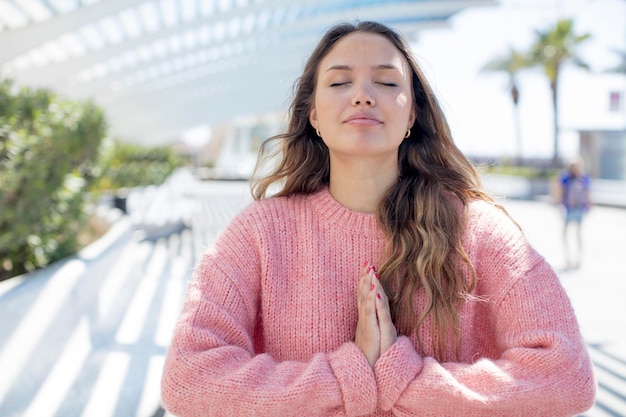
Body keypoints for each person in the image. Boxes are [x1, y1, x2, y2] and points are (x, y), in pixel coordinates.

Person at [161, 21, 595, 416]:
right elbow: (187, 377)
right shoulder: (257, 233)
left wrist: (401, 379)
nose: (362, 94)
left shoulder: (479, 232)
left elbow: (567, 375)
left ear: (412, 115)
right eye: (340, 81)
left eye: (386, 81)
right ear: (313, 115)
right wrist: (346, 374)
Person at [557, 158, 591, 269]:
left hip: (569, 209)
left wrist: (560, 205)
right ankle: (578, 259)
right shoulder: (584, 178)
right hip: (580, 209)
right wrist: (588, 205)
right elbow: (587, 193)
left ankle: (569, 258)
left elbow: (560, 193)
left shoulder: (565, 178)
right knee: (578, 234)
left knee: (565, 234)